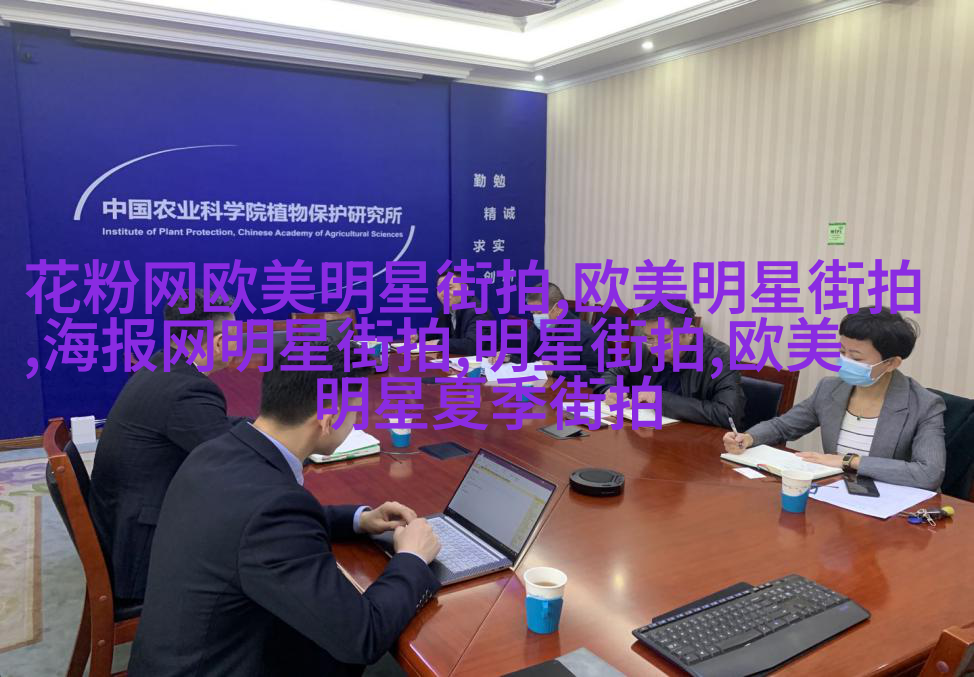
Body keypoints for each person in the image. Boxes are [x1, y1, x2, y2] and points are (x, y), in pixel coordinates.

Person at [128, 346, 441, 676]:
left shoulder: (216, 451)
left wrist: (359, 520)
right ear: (328, 420)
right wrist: (412, 558)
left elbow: (257, 525)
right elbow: (364, 635)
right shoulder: (273, 512)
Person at [89, 289, 239, 603]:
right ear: (218, 342)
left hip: (121, 525)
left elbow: (213, 428)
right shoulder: (189, 389)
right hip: (142, 554)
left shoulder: (162, 364)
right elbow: (235, 467)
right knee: (254, 543)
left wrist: (265, 425)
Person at [723, 307, 946, 490]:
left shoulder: (924, 405)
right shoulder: (830, 389)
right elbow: (783, 426)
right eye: (842, 351)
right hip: (836, 493)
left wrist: (848, 461)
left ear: (891, 363)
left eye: (856, 358)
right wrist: (748, 438)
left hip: (894, 508)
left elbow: (929, 473)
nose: (845, 361)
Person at [594, 299, 745, 428]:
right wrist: (610, 389)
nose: (654, 348)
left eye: (664, 340)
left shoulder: (720, 358)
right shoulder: (645, 349)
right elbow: (611, 374)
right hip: (646, 436)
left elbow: (729, 414)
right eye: (649, 338)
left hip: (694, 443)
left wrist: (660, 399)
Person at [521, 282, 601, 385]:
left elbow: (597, 375)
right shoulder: (539, 327)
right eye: (533, 313)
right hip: (539, 387)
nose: (536, 317)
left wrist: (555, 370)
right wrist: (508, 357)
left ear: (558, 308)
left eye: (539, 313)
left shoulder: (588, 335)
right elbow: (525, 359)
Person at [434, 270, 495, 355]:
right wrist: (417, 336)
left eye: (449, 288)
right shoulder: (445, 311)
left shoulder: (478, 311)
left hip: (484, 361)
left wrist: (438, 343)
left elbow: (472, 345)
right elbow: (431, 331)